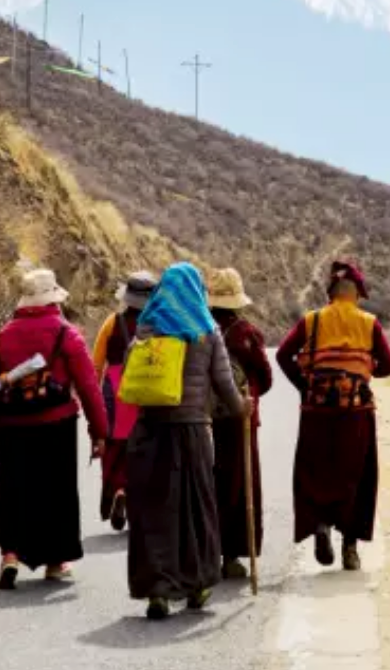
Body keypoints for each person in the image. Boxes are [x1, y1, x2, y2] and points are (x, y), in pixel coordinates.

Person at [126, 262, 247, 620]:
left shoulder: (147, 326)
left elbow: (132, 371)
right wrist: (243, 408)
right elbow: (225, 385)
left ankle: (158, 591)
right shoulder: (207, 331)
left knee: (154, 512)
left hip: (149, 432)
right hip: (191, 432)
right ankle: (198, 584)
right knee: (195, 509)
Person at [0, 268, 108, 590]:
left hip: (11, 425)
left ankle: (10, 555)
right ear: (54, 299)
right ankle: (55, 561)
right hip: (56, 424)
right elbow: (89, 386)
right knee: (57, 492)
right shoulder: (66, 333)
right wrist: (100, 431)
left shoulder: (6, 334)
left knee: (13, 492)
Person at [276, 260, 390, 572]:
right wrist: (366, 371)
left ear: (331, 293)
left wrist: (304, 386)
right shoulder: (369, 323)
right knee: (355, 475)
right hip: (355, 412)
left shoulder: (312, 320)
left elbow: (282, 354)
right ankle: (350, 549)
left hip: (317, 411)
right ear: (356, 294)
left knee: (316, 471)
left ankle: (320, 525)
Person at [207, 268, 273, 581]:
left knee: (208, 483)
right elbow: (266, 378)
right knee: (239, 484)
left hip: (202, 418)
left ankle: (205, 551)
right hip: (241, 418)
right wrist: (249, 395)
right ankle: (232, 555)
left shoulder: (199, 329)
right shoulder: (247, 333)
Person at [91, 270, 158, 531]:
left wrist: (94, 400)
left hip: (115, 391)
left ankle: (119, 489)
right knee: (143, 448)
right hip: (145, 388)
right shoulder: (159, 324)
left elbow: (96, 364)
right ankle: (137, 499)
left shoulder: (112, 322)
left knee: (115, 448)